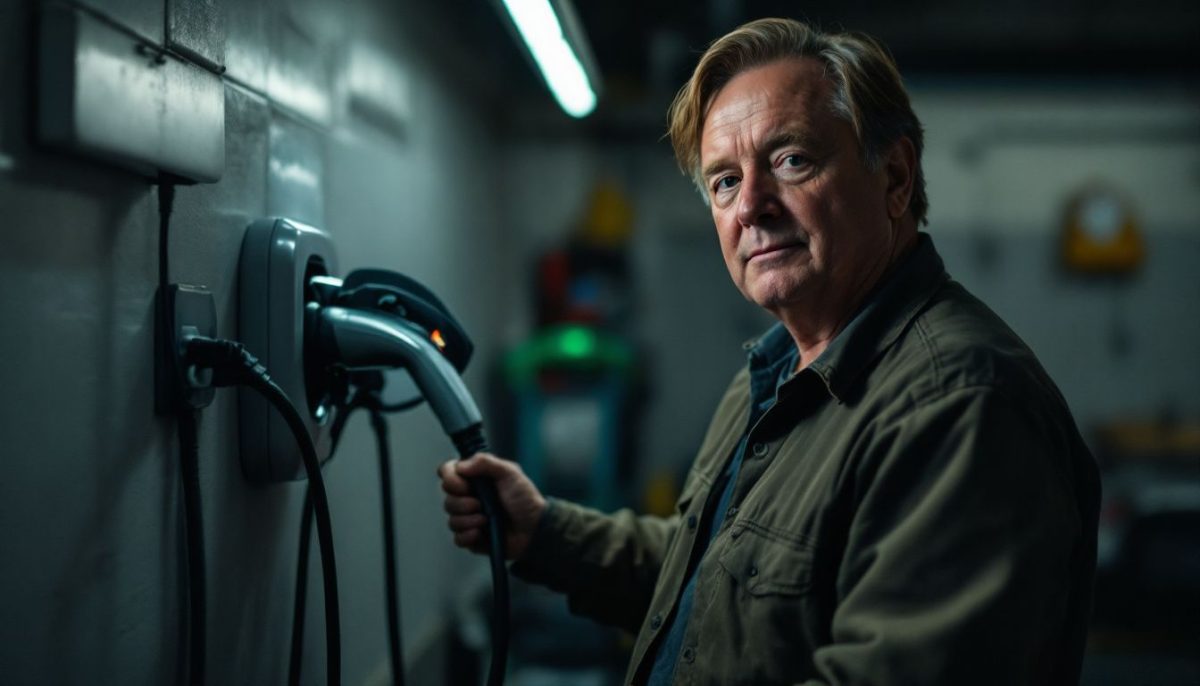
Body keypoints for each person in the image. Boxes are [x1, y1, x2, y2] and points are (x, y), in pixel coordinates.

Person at [438, 17, 1100, 685]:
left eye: (791, 160)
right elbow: (711, 580)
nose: (751, 205)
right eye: (724, 181)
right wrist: (546, 534)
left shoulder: (959, 405)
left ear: (895, 177)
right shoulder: (777, 369)